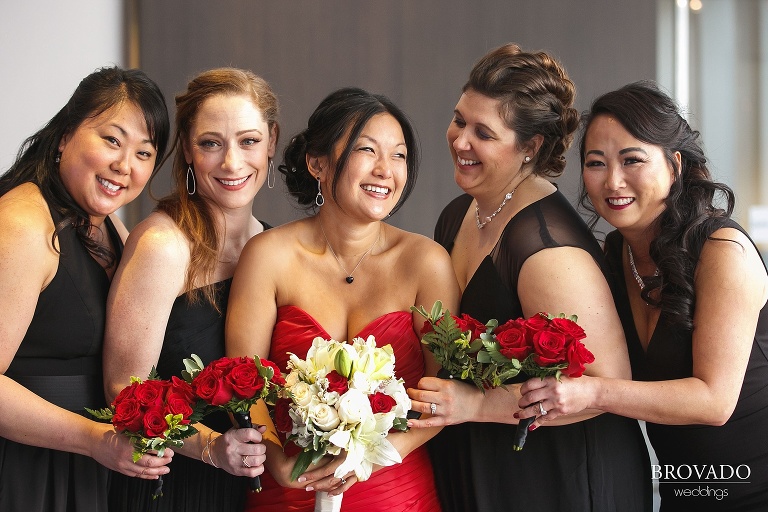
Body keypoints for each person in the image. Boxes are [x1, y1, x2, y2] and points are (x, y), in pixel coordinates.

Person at [406, 44, 652, 511]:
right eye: (459, 120)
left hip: (559, 478)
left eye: (484, 133)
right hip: (486, 462)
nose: (460, 141)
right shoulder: (458, 213)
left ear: (530, 147)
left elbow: (604, 386)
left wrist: (476, 406)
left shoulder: (547, 249)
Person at [517, 81, 768, 511]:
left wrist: (592, 393)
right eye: (596, 163)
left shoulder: (723, 250)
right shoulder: (614, 256)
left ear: (674, 165)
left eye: (632, 159)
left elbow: (714, 401)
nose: (613, 180)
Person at [226, 86, 460, 511]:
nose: (385, 170)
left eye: (399, 155)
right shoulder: (268, 256)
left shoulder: (426, 262)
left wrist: (370, 458)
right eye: (367, 151)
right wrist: (276, 463)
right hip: (290, 488)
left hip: (393, 489)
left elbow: (442, 395)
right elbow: (246, 382)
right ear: (318, 163)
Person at [103, 68, 279, 511]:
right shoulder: (164, 245)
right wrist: (210, 448)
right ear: (186, 148)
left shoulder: (275, 248)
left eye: (249, 141)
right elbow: (123, 387)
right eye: (210, 143)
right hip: (174, 486)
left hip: (258, 489)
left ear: (272, 141)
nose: (232, 163)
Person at [0, 66, 172, 511]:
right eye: (112, 140)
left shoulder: (106, 224)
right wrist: (94, 438)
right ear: (64, 136)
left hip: (83, 467)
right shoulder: (22, 222)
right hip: (22, 470)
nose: (124, 165)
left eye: (144, 152)